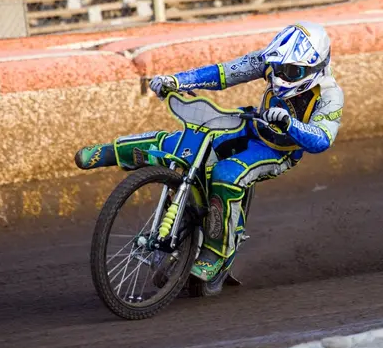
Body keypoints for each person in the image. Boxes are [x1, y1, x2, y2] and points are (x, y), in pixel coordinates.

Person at [75, 21, 344, 282]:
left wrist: (289, 124)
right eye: (278, 68)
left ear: (316, 68)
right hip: (250, 123)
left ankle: (217, 252)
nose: (281, 76)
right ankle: (113, 152)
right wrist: (178, 81)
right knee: (182, 141)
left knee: (226, 175)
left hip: (278, 149)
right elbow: (223, 73)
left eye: (292, 72)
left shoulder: (330, 96)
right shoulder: (269, 61)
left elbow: (321, 140)